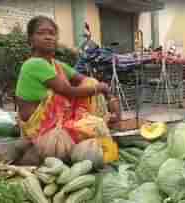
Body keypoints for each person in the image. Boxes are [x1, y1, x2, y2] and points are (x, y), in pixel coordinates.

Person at [15, 16, 119, 164]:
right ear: (31, 40)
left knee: (90, 82)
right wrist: (100, 89)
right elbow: (68, 91)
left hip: (59, 122)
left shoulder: (55, 65)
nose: (48, 37)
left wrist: (106, 95)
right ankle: (107, 154)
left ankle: (101, 130)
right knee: (96, 125)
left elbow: (82, 79)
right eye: (41, 33)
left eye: (52, 33)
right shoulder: (34, 64)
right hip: (42, 132)